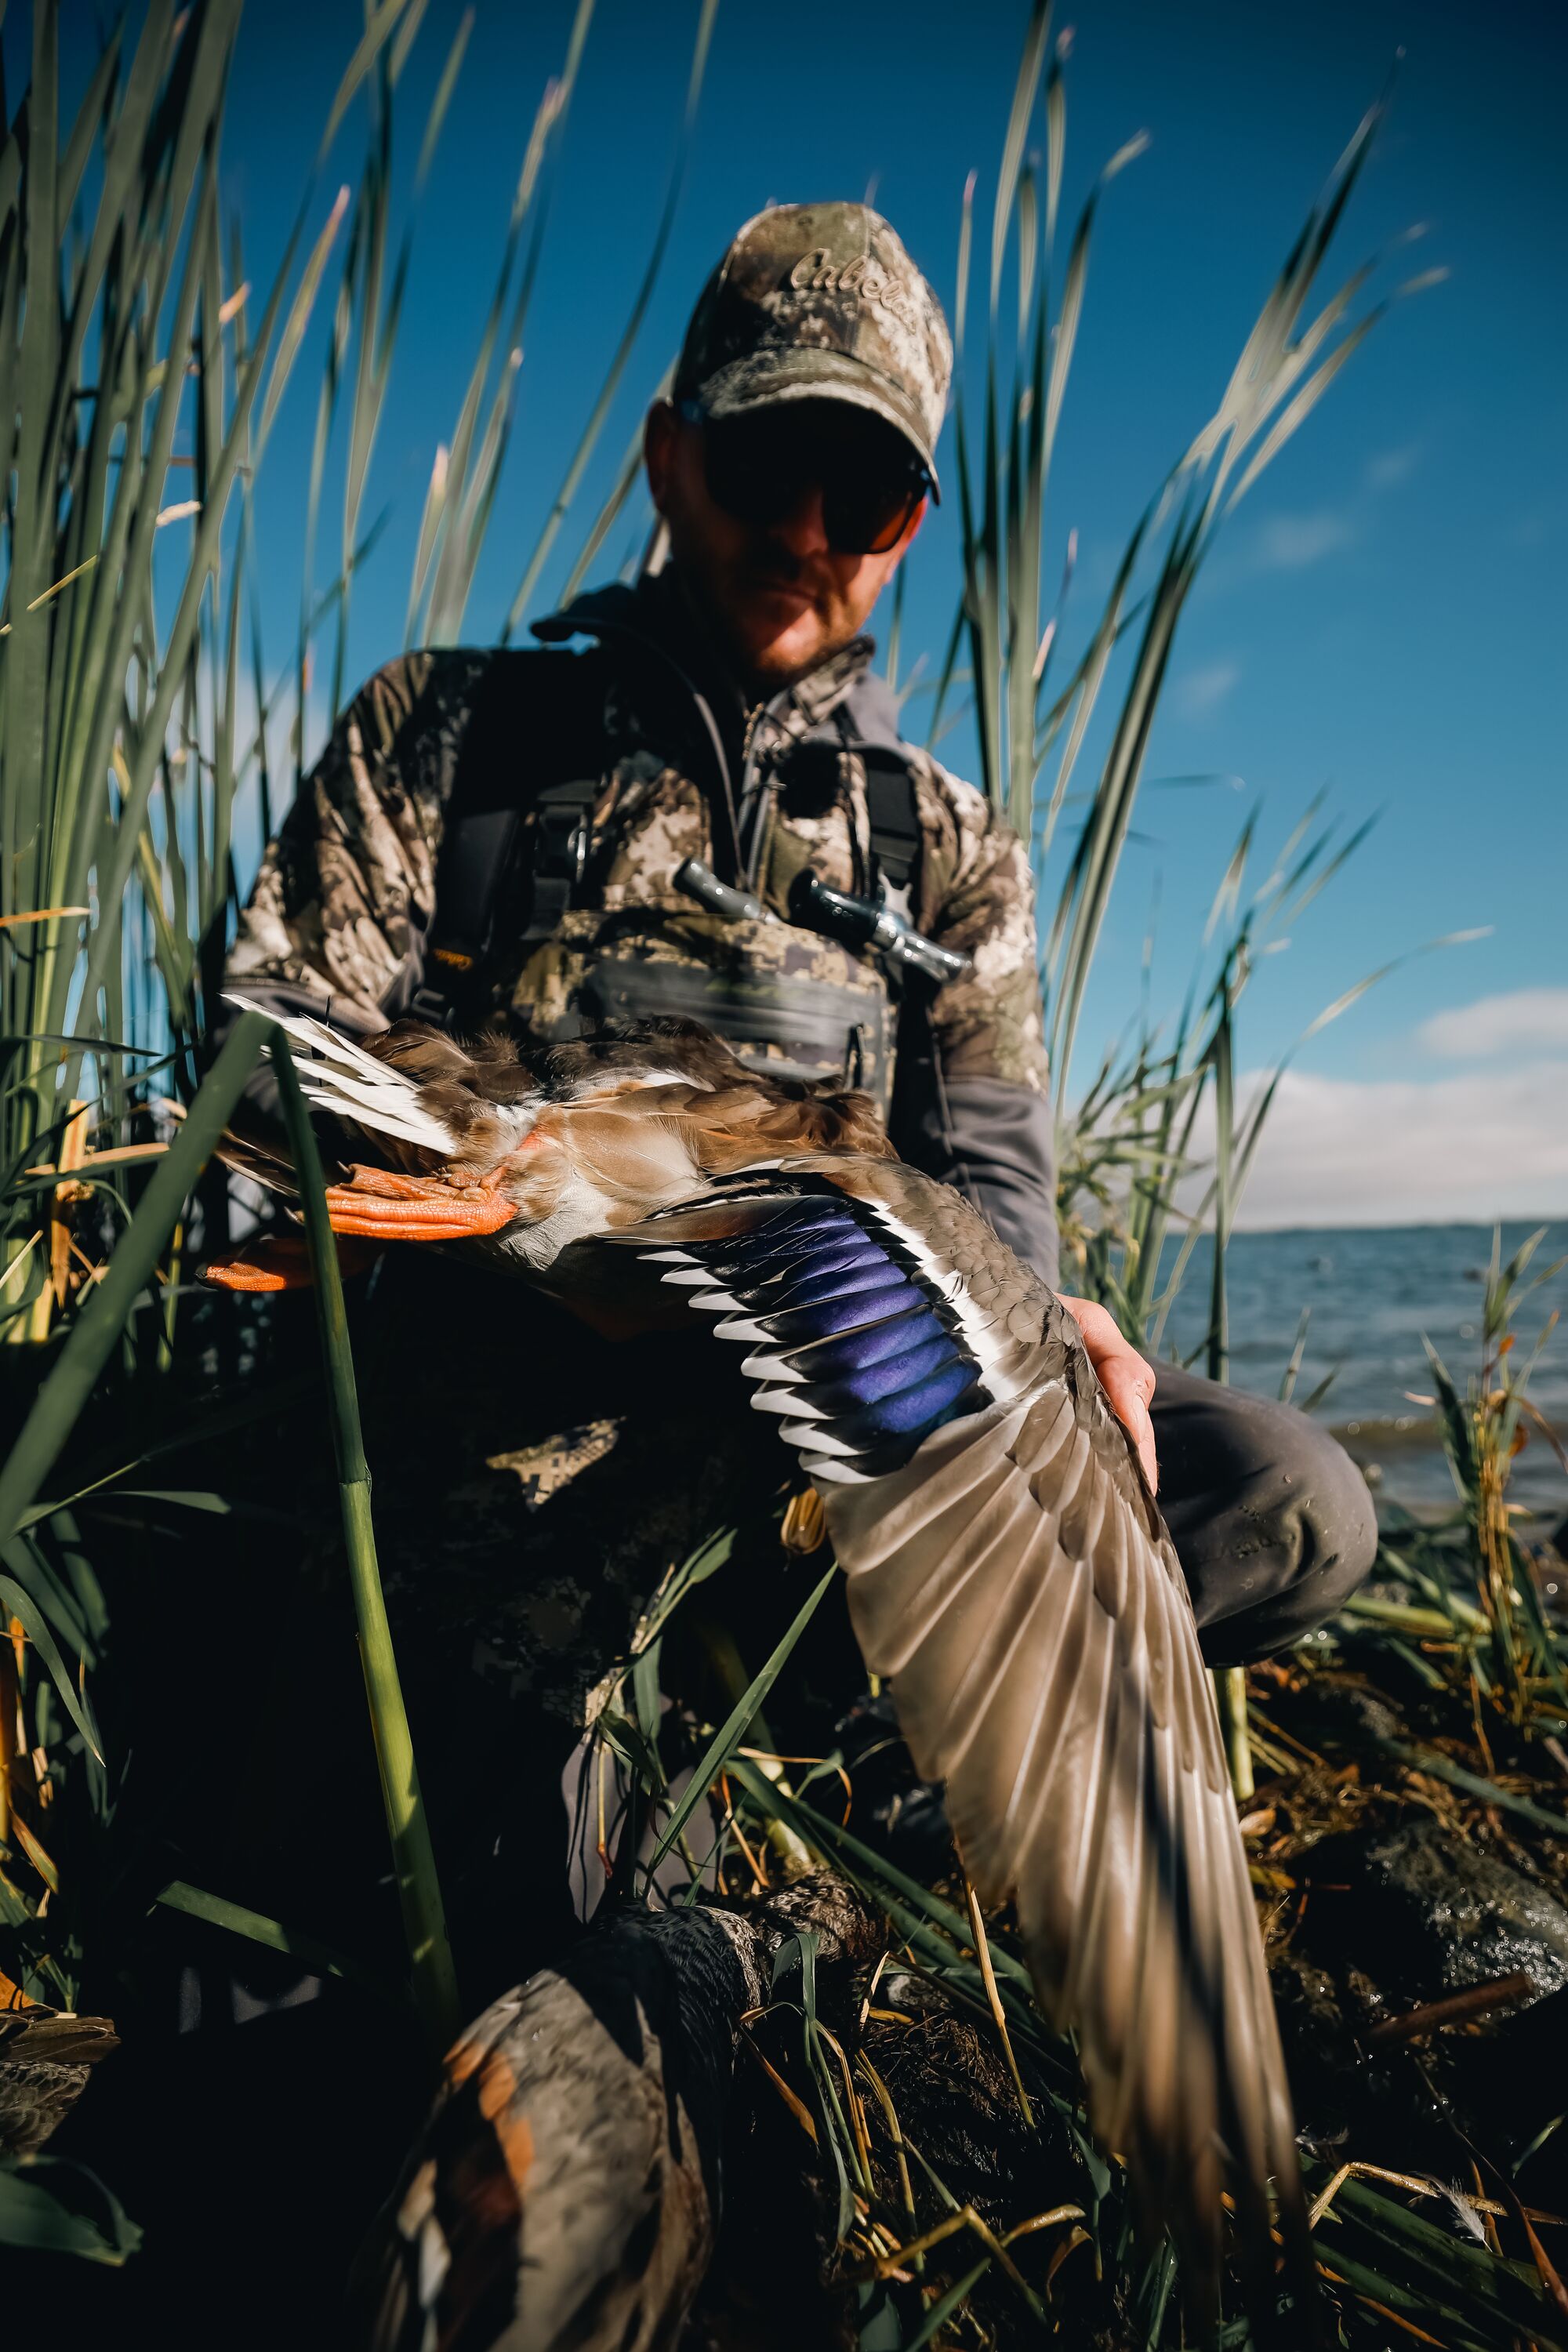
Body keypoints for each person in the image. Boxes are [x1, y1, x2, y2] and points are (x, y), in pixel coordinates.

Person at [223, 200, 1375, 1697]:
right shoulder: (456, 733)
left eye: (870, 491)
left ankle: (878, 1719)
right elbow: (263, 1048)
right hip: (511, 1407)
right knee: (575, 1881)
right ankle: (698, 1727)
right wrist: (510, 1214)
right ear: (669, 454)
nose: (806, 532)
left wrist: (1045, 1357)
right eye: (766, 465)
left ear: (912, 522)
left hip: (837, 1429)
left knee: (1286, 1494)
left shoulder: (950, 848)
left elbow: (997, 1188)